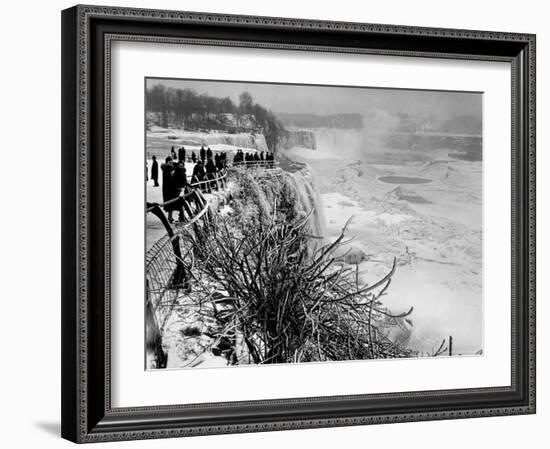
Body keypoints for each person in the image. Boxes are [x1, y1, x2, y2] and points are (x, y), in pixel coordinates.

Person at [160, 157, 179, 222]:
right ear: (167, 162)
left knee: (171, 204)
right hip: (169, 188)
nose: (171, 163)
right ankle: (170, 218)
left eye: (172, 162)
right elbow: (171, 177)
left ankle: (170, 217)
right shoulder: (168, 168)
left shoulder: (166, 168)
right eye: (170, 162)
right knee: (171, 203)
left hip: (167, 188)